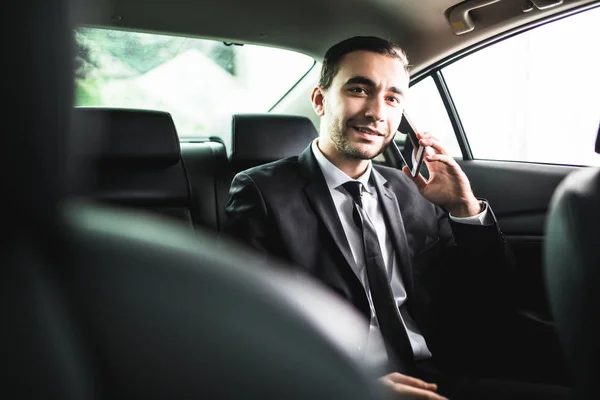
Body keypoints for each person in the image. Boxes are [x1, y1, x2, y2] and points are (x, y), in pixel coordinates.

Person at [223, 36, 568, 399]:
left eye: (392, 98)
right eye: (359, 89)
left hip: (442, 371)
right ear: (320, 100)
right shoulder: (262, 192)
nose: (377, 112)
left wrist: (463, 207)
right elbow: (245, 324)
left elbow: (492, 295)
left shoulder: (412, 190)